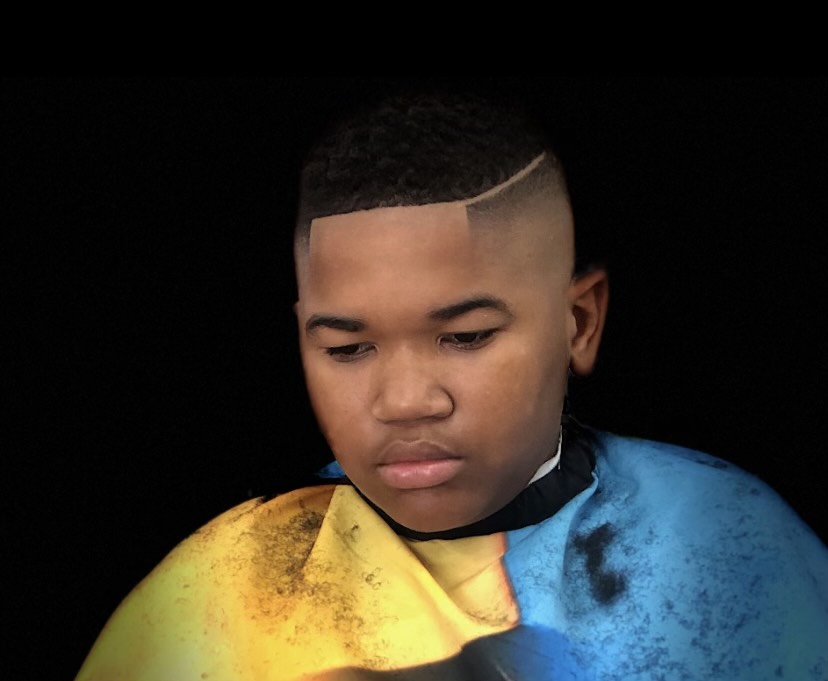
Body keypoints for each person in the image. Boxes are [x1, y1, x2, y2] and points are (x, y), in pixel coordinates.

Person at [75, 90, 827, 680]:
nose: (405, 401)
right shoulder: (224, 592)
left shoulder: (724, 542)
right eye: (347, 347)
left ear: (579, 322)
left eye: (465, 337)